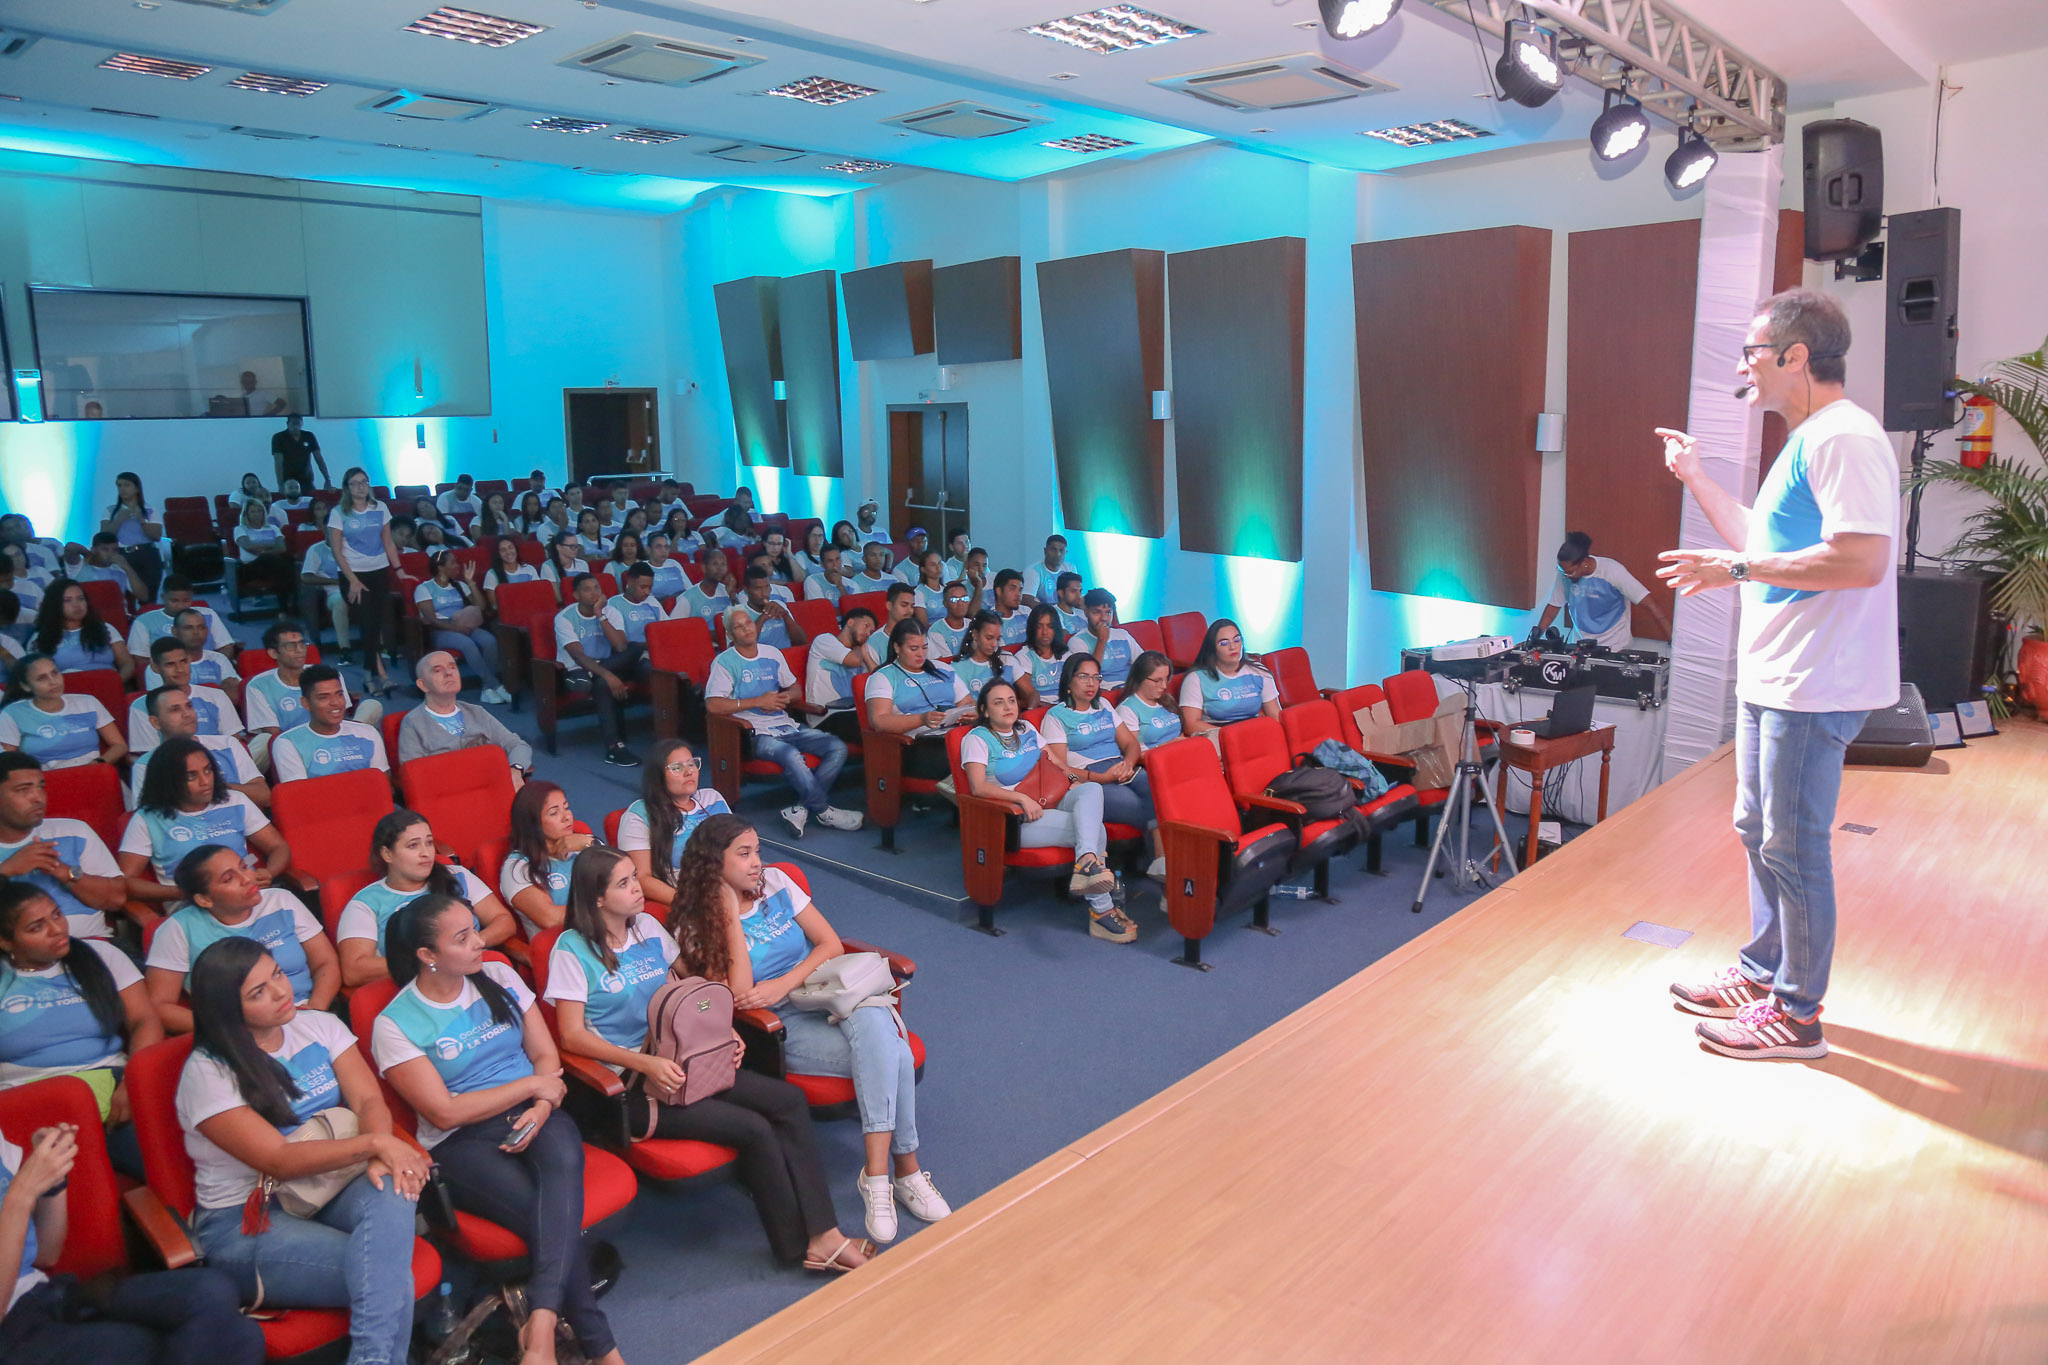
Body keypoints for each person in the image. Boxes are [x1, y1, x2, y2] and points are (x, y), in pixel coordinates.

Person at [1658, 288, 1900, 1062]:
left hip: (1814, 682)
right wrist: (1696, 477)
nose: (1743, 368)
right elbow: (1758, 544)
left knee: (1793, 847)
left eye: (1751, 353)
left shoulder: (1844, 439)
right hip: (1775, 677)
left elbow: (1861, 560)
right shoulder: (1805, 441)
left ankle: (1797, 1015)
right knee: (1758, 831)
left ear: (1796, 356)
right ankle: (1764, 972)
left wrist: (1734, 568)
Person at [549, 845, 868, 1272]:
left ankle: (825, 1233)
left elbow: (693, 986)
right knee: (754, 1129)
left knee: (788, 1101)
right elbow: (570, 1036)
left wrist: (722, 1027)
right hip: (632, 1084)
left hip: (685, 1058)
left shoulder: (647, 927)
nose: (638, 888)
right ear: (598, 898)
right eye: (624, 884)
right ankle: (796, 1246)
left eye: (634, 877)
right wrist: (644, 1064)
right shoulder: (571, 950)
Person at [669, 815, 948, 1244]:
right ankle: (905, 1170)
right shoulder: (692, 924)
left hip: (825, 992)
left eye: (757, 851)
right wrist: (729, 918)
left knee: (880, 1033)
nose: (757, 862)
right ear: (713, 863)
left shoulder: (778, 882)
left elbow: (830, 943)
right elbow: (738, 995)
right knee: (895, 1051)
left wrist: (783, 982)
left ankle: (878, 1176)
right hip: (780, 1026)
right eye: (743, 854)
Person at [373, 898, 623, 1365]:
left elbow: (545, 1056)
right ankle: (598, 1346)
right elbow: (444, 1113)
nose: (479, 941)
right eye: (462, 938)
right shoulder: (394, 1023)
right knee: (546, 1215)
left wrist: (543, 1105)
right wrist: (530, 1086)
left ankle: (540, 1328)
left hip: (537, 1111)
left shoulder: (500, 975)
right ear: (427, 955)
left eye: (475, 929)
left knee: (563, 1167)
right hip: (462, 1139)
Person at [176, 936, 427, 1365]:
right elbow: (279, 1161)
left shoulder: (318, 1025)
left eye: (277, 973)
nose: (281, 991)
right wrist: (375, 1143)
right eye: (259, 992)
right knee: (387, 1274)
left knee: (393, 1188)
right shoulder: (208, 1072)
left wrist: (378, 1154)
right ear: (227, 1010)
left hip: (328, 1187)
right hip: (249, 1217)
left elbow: (368, 1100)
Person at [0, 1114, 263, 1365]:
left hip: (50, 1296)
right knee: (216, 1344)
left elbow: (46, 1254)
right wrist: (21, 1195)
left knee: (219, 1302)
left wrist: (52, 1184)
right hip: (11, 1330)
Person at [0, 878, 161, 1172]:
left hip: (112, 1085)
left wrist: (132, 1083)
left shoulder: (101, 955)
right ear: (6, 941)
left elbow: (145, 1021)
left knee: (164, 1159)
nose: (57, 929)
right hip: (28, 1097)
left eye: (57, 914)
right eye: (36, 927)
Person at [959, 680, 1132, 942]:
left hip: (1049, 798)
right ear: (984, 710)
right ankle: (1102, 909)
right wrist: (1020, 798)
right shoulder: (976, 739)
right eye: (998, 702)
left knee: (1091, 789)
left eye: (1011, 700)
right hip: (1016, 818)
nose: (1007, 707)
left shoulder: (1026, 728)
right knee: (1095, 829)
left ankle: (1086, 863)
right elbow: (978, 787)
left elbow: (1054, 762)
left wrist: (1072, 780)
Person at [706, 605, 859, 839]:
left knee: (837, 747)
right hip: (754, 732)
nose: (746, 629)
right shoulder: (724, 662)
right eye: (738, 626)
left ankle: (801, 809)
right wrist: (758, 701)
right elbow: (713, 705)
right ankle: (823, 810)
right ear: (729, 634)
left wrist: (786, 697)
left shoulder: (772, 654)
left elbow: (795, 689)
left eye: (748, 622)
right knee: (790, 755)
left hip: (786, 724)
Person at [148, 845, 336, 1033]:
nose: (247, 878)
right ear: (205, 899)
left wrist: (315, 1012)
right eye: (229, 879)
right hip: (238, 1034)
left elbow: (326, 963)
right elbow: (160, 1007)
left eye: (244, 867)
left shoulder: (281, 900)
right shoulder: (177, 930)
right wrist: (232, 1032)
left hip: (307, 1013)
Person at [336, 808, 514, 988]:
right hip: (420, 989)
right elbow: (354, 971)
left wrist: (470, 945)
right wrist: (436, 959)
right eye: (413, 845)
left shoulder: (456, 875)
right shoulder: (366, 903)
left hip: (482, 975)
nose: (426, 853)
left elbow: (504, 921)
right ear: (387, 854)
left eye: (428, 843)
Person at [118, 739, 289, 917]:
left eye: (208, 770)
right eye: (191, 776)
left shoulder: (235, 800)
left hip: (248, 896)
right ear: (168, 781)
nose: (205, 781)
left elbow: (278, 846)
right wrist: (186, 893)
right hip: (192, 910)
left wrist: (270, 872)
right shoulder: (147, 819)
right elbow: (125, 882)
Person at [1044, 652, 1160, 878]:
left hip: (1121, 767)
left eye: (1096, 677)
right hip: (1090, 778)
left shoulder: (1104, 705)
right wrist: (1102, 778)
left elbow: (1130, 744)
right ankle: (1155, 861)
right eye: (1083, 677)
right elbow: (1059, 768)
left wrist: (1128, 763)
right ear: (1068, 680)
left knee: (1161, 792)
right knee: (1137, 806)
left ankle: (1157, 861)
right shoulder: (1055, 716)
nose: (1091, 683)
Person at [0, 755, 127, 940]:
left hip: (90, 945)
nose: (38, 798)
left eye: (41, 787)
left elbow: (117, 898)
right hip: (15, 954)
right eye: (23, 790)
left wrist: (66, 872)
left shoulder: (74, 831)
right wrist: (6, 871)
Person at [242, 621, 379, 773]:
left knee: (372, 705)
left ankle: (350, 742)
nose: (300, 650)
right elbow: (274, 733)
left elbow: (339, 713)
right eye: (291, 646)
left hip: (333, 732)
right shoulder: (258, 686)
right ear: (273, 653)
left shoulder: (325, 675)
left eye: (302, 643)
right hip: (293, 743)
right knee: (265, 740)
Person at [616, 739, 729, 909]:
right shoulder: (640, 815)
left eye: (691, 764)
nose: (689, 772)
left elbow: (738, 845)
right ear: (658, 776)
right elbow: (641, 878)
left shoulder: (712, 798)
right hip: (692, 895)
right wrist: (688, 902)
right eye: (677, 768)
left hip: (732, 881)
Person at [125, 687, 267, 814]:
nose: (187, 714)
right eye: (175, 710)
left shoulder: (228, 744)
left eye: (189, 706)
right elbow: (149, 818)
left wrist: (216, 787)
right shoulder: (146, 766)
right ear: (156, 722)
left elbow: (265, 796)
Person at [397, 651, 533, 782]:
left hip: (488, 787)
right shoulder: (413, 723)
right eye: (437, 670)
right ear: (423, 685)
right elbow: (413, 775)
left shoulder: (477, 712)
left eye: (453, 667)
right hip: (447, 793)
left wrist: (516, 770)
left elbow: (517, 745)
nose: (449, 673)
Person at [864, 620, 972, 782]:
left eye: (924, 647)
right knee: (967, 756)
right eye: (913, 649)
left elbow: (968, 702)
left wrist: (971, 714)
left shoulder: (942, 669)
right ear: (897, 647)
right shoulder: (883, 677)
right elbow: (879, 721)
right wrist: (921, 719)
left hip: (953, 735)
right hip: (916, 746)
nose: (921, 654)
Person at [326, 468, 399, 697]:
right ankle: (374, 675)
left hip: (378, 571)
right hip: (353, 575)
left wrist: (399, 569)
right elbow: (337, 551)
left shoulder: (380, 508)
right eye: (355, 483)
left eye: (364, 482)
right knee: (367, 623)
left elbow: (388, 542)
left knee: (375, 623)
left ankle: (375, 673)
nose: (360, 487)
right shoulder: (338, 513)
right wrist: (353, 580)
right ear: (347, 487)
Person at [555, 574, 641, 768]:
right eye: (587, 589)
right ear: (576, 595)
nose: (594, 593)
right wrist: (607, 675)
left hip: (608, 663)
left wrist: (599, 614)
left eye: (596, 588)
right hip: (579, 669)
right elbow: (578, 656)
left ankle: (613, 748)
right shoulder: (564, 618)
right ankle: (614, 747)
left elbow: (621, 647)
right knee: (602, 683)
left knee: (635, 648)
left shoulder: (610, 611)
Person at [1534, 531, 1668, 651]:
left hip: (1616, 647)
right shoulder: (1565, 575)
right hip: (1581, 646)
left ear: (1584, 563)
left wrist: (1671, 637)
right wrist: (1536, 638)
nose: (1566, 576)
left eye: (1570, 572)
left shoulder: (1612, 571)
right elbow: (1553, 607)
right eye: (1562, 571)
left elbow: (1649, 603)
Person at [413, 551, 508, 704]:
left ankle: (486, 689)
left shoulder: (460, 585)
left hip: (464, 625)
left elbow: (481, 606)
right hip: (441, 630)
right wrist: (458, 629)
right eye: (452, 563)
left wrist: (470, 582)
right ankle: (495, 685)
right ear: (440, 568)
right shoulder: (424, 588)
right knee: (467, 644)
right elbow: (432, 620)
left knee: (490, 641)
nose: (457, 566)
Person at [499, 781, 592, 938]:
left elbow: (625, 875)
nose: (567, 817)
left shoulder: (584, 843)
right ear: (532, 822)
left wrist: (592, 844)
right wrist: (609, 906)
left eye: (567, 807)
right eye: (554, 813)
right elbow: (551, 918)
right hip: (565, 946)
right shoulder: (518, 868)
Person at [1, 655, 124, 770]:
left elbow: (119, 745)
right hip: (45, 779)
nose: (53, 682)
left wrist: (98, 763)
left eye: (55, 673)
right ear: (26, 686)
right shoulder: (13, 713)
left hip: (94, 772)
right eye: (42, 678)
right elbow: (7, 761)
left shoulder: (88, 702)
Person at [271, 665, 389, 784]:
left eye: (339, 694)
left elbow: (382, 784)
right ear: (306, 703)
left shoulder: (368, 733)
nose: (335, 702)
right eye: (324, 697)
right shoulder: (288, 743)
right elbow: (300, 792)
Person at [127, 640, 245, 756]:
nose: (180, 669)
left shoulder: (217, 695)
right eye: (170, 664)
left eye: (183, 661)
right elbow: (149, 757)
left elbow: (233, 741)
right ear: (156, 667)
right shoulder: (141, 706)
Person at [1177, 620, 1279, 738]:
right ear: (1212, 649)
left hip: (1253, 731)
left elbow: (1275, 715)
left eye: (1237, 640)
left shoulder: (1259, 671)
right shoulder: (1195, 678)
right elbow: (1190, 725)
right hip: (1217, 734)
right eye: (1224, 643)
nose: (1233, 647)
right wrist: (1231, 735)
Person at [30, 582, 134, 684]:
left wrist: (115, 683)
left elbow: (127, 664)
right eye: (67, 600)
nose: (76, 605)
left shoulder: (105, 628)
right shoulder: (40, 638)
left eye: (80, 599)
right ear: (54, 605)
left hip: (108, 686)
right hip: (68, 691)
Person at [804, 608, 879, 744]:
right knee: (872, 725)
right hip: (826, 716)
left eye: (871, 632)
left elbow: (879, 679)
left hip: (855, 712)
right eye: (866, 626)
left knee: (884, 719)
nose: (868, 633)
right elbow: (853, 660)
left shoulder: (864, 651)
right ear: (850, 622)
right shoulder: (824, 640)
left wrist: (865, 653)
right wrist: (861, 646)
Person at [126, 576, 233, 657]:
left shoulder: (208, 614)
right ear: (163, 597)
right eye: (174, 601)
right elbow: (140, 658)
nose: (181, 606)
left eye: (186, 601)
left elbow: (226, 647)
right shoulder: (144, 621)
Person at [98, 471, 163, 602]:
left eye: (127, 485)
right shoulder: (110, 510)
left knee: (149, 597)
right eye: (119, 485)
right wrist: (119, 519)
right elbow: (104, 536)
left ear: (136, 488)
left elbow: (156, 536)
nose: (122, 489)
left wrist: (141, 519)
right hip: (121, 555)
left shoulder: (150, 510)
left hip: (147, 554)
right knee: (123, 597)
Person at [1067, 588, 1141, 688]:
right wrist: (1102, 641)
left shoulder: (1122, 635)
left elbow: (1143, 664)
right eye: (1097, 612)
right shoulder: (1077, 642)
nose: (1104, 618)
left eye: (1108, 612)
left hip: (1131, 688)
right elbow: (1089, 675)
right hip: (1104, 692)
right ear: (1086, 612)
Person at [149, 610, 239, 690]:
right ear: (174, 632)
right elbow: (162, 699)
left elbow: (235, 692)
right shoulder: (161, 665)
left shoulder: (219, 659)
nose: (196, 632)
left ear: (207, 631)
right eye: (188, 628)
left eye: (201, 627)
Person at [1115, 650, 1184, 753]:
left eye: (1166, 678)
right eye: (1157, 680)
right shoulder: (1127, 709)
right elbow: (1134, 754)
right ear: (1140, 678)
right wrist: (1171, 745)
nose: (1164, 686)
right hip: (1156, 759)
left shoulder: (1167, 699)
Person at [296, 528, 352, 655]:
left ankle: (381, 646)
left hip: (356, 588)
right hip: (333, 592)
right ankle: (345, 649)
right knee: (340, 600)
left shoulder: (353, 548)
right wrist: (336, 582)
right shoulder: (316, 549)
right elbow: (306, 577)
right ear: (325, 532)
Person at [232, 500, 292, 612]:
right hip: (251, 568)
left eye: (259, 511)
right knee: (277, 562)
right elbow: (249, 547)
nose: (256, 514)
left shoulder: (273, 528)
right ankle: (286, 608)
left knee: (284, 564)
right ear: (246, 514)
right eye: (253, 512)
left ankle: (283, 610)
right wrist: (272, 545)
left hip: (272, 566)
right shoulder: (240, 529)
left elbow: (282, 548)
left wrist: (261, 549)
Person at [948, 611, 1018, 703]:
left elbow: (1030, 692)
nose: (994, 644)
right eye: (989, 638)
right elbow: (965, 704)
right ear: (975, 634)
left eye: (998, 639)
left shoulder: (1007, 659)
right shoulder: (957, 668)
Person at [1014, 603, 1071, 709]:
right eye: (1039, 627)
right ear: (1032, 628)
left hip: (1066, 707)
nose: (1045, 632)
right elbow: (1026, 697)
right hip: (1040, 709)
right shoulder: (1024, 656)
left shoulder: (1065, 654)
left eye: (1050, 626)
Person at [732, 566, 803, 649]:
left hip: (786, 655)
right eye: (758, 588)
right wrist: (762, 618)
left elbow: (801, 641)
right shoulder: (738, 614)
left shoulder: (779, 605)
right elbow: (740, 648)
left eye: (767, 587)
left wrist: (786, 616)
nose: (764, 593)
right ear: (746, 590)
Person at [608, 562, 665, 651]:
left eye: (650, 587)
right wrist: (651, 645)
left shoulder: (652, 601)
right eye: (643, 587)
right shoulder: (614, 604)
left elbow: (667, 628)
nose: (647, 592)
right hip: (632, 654)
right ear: (630, 582)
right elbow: (620, 644)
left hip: (657, 651)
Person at [671, 549, 733, 623]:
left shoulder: (727, 591)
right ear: (704, 568)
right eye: (715, 564)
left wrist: (732, 595)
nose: (720, 568)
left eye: (723, 564)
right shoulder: (688, 597)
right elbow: (674, 626)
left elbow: (741, 618)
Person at [271, 414, 329, 491]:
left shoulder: (309, 436)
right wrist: (280, 484)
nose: (296, 426)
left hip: (307, 479)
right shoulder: (279, 437)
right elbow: (278, 462)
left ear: (302, 424)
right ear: (287, 424)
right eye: (293, 424)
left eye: (298, 424)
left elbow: (319, 459)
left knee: (311, 497)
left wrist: (327, 478)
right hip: (288, 479)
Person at [1020, 534, 1076, 605]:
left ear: (1066, 553)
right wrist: (1051, 610)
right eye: (1053, 550)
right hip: (1042, 611)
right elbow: (1026, 600)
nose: (1058, 554)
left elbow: (1076, 595)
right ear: (1045, 551)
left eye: (1061, 551)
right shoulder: (1033, 571)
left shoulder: (1070, 568)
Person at [925, 582, 974, 658]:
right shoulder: (936, 630)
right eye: (954, 600)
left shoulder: (973, 625)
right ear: (945, 603)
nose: (960, 603)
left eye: (964, 599)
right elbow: (948, 660)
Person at [642, 532, 690, 600]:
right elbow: (644, 597)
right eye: (658, 547)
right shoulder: (642, 567)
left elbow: (689, 589)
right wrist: (669, 599)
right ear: (648, 549)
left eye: (666, 546)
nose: (664, 551)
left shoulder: (674, 564)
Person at [989, 568, 1030, 645]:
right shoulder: (989, 621)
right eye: (1012, 589)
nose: (1018, 594)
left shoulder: (1027, 612)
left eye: (1020, 590)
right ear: (999, 591)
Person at [908, 552, 949, 622]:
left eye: (939, 563)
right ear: (923, 569)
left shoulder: (947, 590)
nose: (938, 568)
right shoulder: (919, 592)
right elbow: (924, 623)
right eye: (933, 565)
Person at [1049, 572, 1088, 637]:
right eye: (1073, 591)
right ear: (1061, 593)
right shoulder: (1052, 612)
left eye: (1080, 591)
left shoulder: (1082, 613)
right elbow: (1065, 638)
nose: (1079, 595)